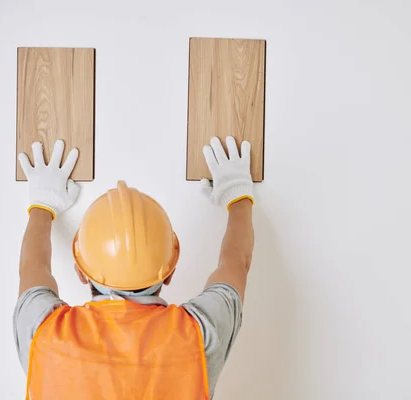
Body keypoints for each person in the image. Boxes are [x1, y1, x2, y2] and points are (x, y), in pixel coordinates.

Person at [13, 137, 255, 400]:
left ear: (81, 271)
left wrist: (42, 204)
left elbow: (32, 267)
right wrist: (236, 194)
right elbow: (236, 263)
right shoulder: (200, 333)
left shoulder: (44, 333)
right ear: (170, 272)